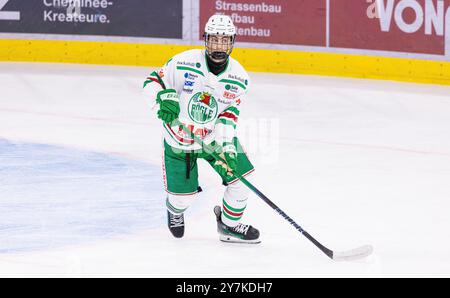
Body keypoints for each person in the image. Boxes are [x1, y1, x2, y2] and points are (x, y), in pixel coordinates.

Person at [142, 14, 259, 244]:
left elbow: (228, 115)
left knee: (242, 182)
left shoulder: (239, 77)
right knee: (182, 199)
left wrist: (227, 148)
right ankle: (175, 211)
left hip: (214, 139)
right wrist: (163, 97)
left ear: (232, 42)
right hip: (179, 141)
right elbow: (152, 82)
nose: (219, 46)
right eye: (214, 40)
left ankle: (229, 226)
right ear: (205, 40)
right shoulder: (183, 62)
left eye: (224, 40)